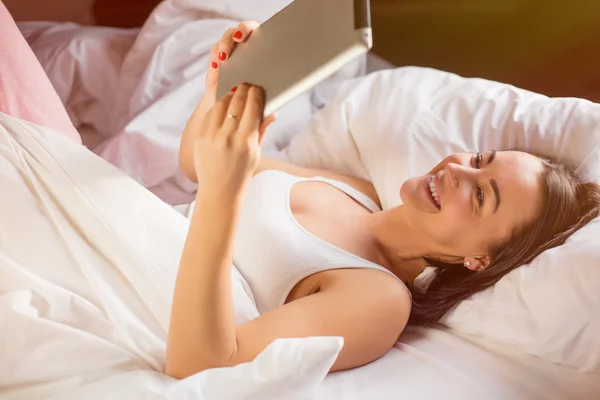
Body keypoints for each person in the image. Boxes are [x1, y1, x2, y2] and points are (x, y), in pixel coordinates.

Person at [165, 21, 600, 379]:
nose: (457, 170)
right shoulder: (357, 191)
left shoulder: (380, 300)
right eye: (480, 158)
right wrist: (220, 91)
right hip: (143, 222)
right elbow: (195, 165)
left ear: (479, 259)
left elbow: (205, 367)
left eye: (482, 194)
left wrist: (222, 194)